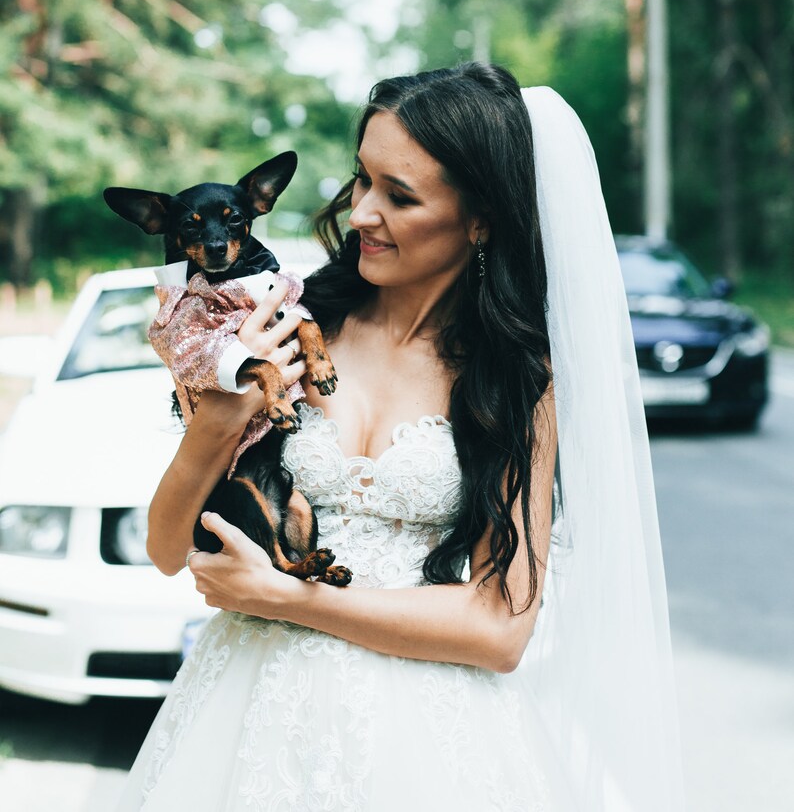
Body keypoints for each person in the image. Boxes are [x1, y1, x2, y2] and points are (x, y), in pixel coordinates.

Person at [116, 63, 686, 812]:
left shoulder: (515, 374)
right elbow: (166, 550)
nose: (360, 214)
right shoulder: (288, 324)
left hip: (425, 749)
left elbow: (500, 627)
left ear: (480, 216)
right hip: (241, 718)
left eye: (399, 194)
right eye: (361, 180)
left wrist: (290, 598)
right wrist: (216, 424)